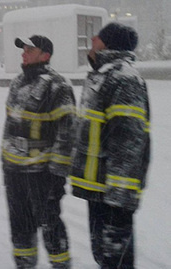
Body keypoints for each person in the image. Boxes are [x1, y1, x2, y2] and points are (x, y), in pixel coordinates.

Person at [69, 22, 150, 269]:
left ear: (109, 44)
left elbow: (129, 142)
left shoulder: (124, 79)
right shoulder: (102, 76)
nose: (92, 39)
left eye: (99, 37)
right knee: (104, 256)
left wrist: (120, 199)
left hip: (113, 194)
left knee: (117, 260)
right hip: (98, 188)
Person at [1, 35, 76, 269]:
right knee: (20, 226)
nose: (23, 52)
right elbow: (10, 126)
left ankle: (60, 265)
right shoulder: (17, 83)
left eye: (29, 49)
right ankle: (24, 264)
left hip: (42, 174)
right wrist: (5, 161)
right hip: (14, 172)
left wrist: (57, 175)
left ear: (45, 55)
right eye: (23, 48)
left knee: (50, 225)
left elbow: (67, 133)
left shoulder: (58, 86)